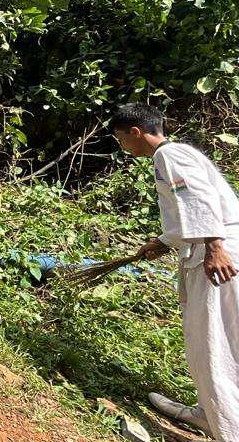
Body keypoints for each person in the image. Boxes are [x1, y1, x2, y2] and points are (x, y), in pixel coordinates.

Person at [110, 103, 239, 441]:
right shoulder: (175, 155)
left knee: (212, 340)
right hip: (211, 248)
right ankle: (211, 411)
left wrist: (214, 247)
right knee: (213, 338)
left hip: (218, 254)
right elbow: (188, 209)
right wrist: (164, 241)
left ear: (135, 133)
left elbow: (199, 198)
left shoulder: (170, 156)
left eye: (122, 140)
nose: (123, 147)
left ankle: (226, 426)